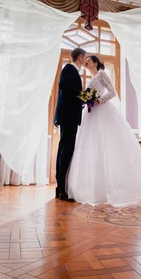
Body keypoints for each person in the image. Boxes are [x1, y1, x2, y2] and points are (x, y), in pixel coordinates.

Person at [67, 55, 141, 205]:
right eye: (86, 60)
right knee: (92, 149)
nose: (86, 62)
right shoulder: (91, 77)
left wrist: (98, 100)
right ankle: (96, 190)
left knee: (107, 147)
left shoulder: (102, 74)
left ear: (95, 62)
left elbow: (112, 92)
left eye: (88, 60)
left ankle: (115, 188)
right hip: (91, 114)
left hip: (103, 112)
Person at [54, 47, 87, 202]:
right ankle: (61, 190)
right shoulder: (69, 69)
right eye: (84, 58)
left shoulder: (72, 71)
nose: (85, 61)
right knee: (66, 151)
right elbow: (64, 88)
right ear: (80, 57)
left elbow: (68, 91)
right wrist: (82, 98)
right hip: (68, 117)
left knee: (64, 150)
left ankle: (60, 189)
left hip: (69, 116)